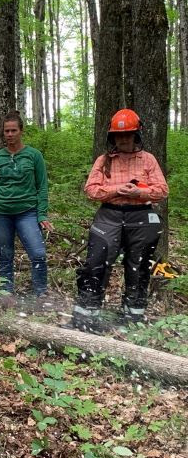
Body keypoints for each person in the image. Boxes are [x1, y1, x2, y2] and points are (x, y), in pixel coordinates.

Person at [72, 109, 168, 331]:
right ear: (112, 137)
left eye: (128, 134)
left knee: (139, 266)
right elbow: (91, 190)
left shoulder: (148, 160)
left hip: (141, 216)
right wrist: (117, 189)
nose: (124, 139)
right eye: (119, 135)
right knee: (96, 262)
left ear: (137, 135)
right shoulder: (104, 160)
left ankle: (132, 318)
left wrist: (140, 193)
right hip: (109, 214)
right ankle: (86, 316)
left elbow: (162, 190)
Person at [0, 111, 53, 297]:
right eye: (7, 131)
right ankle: (6, 293)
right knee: (5, 255)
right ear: (3, 133)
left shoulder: (34, 156)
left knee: (37, 253)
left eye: (13, 130)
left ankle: (40, 293)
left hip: (27, 212)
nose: (10, 134)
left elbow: (42, 187)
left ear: (21, 131)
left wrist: (42, 214)